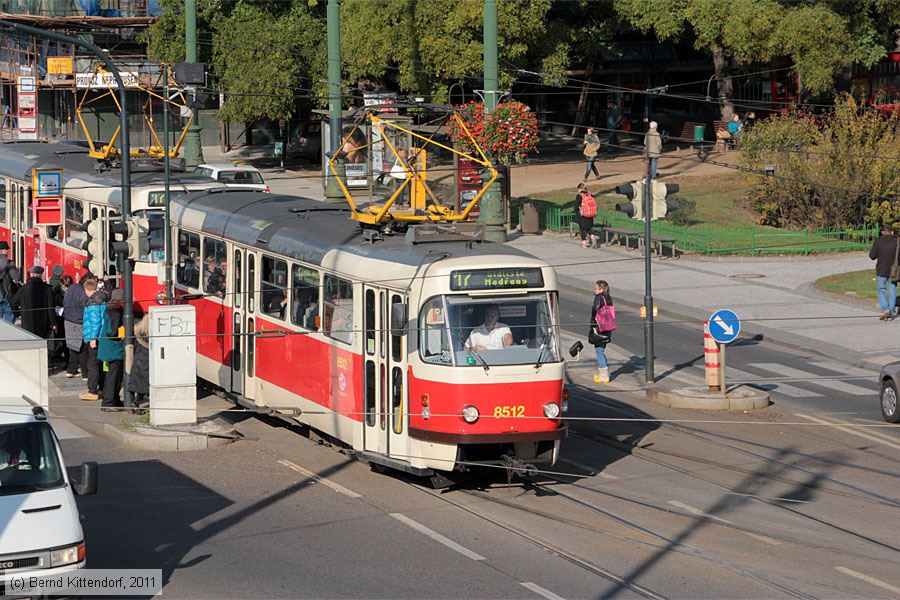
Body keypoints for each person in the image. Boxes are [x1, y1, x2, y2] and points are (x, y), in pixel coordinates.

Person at [80, 278, 108, 401]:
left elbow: (94, 322)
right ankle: (102, 388)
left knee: (93, 364)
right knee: (100, 363)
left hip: (95, 337)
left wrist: (92, 338)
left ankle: (92, 391)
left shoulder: (92, 303)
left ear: (86, 289)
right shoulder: (103, 298)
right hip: (102, 336)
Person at [98, 288, 125, 412]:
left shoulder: (108, 309)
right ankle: (108, 402)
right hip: (113, 350)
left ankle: (113, 399)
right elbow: (112, 332)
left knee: (111, 376)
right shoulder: (116, 312)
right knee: (114, 377)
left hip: (107, 349)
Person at [11, 266, 55, 340]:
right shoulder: (48, 289)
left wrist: (19, 313)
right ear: (41, 275)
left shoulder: (23, 289)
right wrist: (53, 323)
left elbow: (13, 304)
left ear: (31, 275)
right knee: (41, 343)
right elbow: (51, 308)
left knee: (29, 344)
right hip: (42, 325)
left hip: (27, 324)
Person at [869, 223, 899, 321]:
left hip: (881, 269)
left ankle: (885, 308)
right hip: (894, 271)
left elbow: (872, 256)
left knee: (881, 289)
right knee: (892, 290)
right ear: (892, 232)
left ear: (882, 232)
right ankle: (891, 312)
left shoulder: (878, 241)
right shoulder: (897, 241)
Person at [63, 274, 90, 379]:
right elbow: (85, 305)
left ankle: (71, 370)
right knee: (83, 348)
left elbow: (64, 302)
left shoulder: (72, 288)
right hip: (79, 322)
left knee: (74, 347)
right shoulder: (82, 292)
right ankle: (85, 373)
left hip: (69, 320)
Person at [590, 280, 614, 383]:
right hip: (608, 326)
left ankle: (603, 376)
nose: (594, 290)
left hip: (600, 326)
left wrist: (592, 322)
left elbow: (595, 310)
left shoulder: (599, 297)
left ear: (600, 289)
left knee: (599, 351)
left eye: (596, 288)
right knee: (602, 349)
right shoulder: (608, 297)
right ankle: (603, 373)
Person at [131, 315, 151, 410]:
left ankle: (136, 402)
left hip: (138, 364)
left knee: (139, 386)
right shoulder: (149, 336)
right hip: (146, 364)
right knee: (145, 384)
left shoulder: (139, 332)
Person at [574, 183, 599, 249]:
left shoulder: (579, 196)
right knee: (588, 228)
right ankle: (593, 237)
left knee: (582, 229)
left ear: (580, 189)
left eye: (578, 189)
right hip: (590, 214)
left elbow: (576, 206)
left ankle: (584, 244)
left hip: (583, 215)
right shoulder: (590, 195)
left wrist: (577, 212)